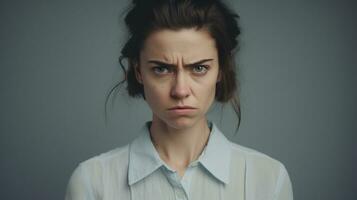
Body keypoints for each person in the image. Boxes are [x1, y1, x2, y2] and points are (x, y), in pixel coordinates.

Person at [65, 0, 293, 199]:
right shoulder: (92, 183)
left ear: (221, 70)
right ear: (138, 71)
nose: (180, 90)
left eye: (200, 68)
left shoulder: (269, 179)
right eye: (162, 69)